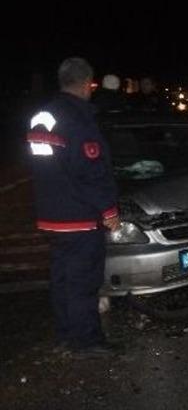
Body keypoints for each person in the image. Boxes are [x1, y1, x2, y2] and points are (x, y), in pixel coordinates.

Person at [26, 57, 120, 358]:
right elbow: (90, 171)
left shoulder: (43, 115)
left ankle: (67, 334)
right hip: (79, 215)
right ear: (86, 83)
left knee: (63, 278)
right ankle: (87, 341)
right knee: (84, 280)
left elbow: (47, 166)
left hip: (51, 214)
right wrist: (108, 210)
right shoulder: (78, 119)